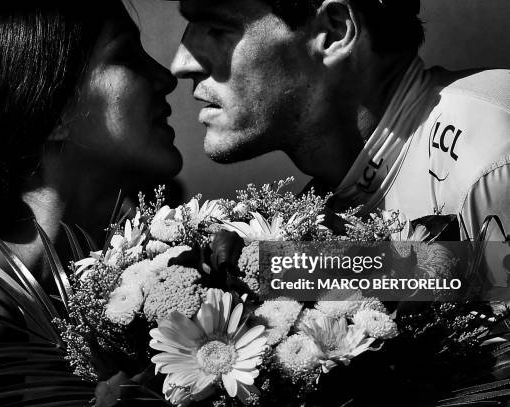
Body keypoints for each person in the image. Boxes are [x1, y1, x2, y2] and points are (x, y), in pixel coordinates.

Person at [0, 0, 180, 403]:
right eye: (126, 56)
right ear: (52, 109)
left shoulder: (113, 282)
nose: (165, 77)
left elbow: (297, 277)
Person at [167, 0, 510, 287]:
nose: (181, 64)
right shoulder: (311, 214)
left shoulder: (493, 152)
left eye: (217, 29)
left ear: (334, 32)